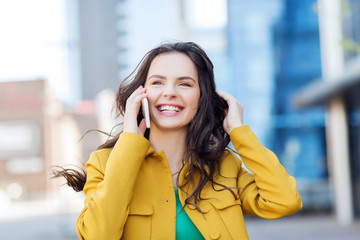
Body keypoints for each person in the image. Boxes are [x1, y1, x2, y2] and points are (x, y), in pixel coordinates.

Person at [54, 41, 302, 240]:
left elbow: (284, 201)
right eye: (157, 82)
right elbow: (98, 235)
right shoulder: (104, 163)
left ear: (201, 97)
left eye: (184, 83)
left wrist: (239, 131)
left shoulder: (223, 165)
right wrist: (130, 144)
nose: (170, 92)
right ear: (141, 94)